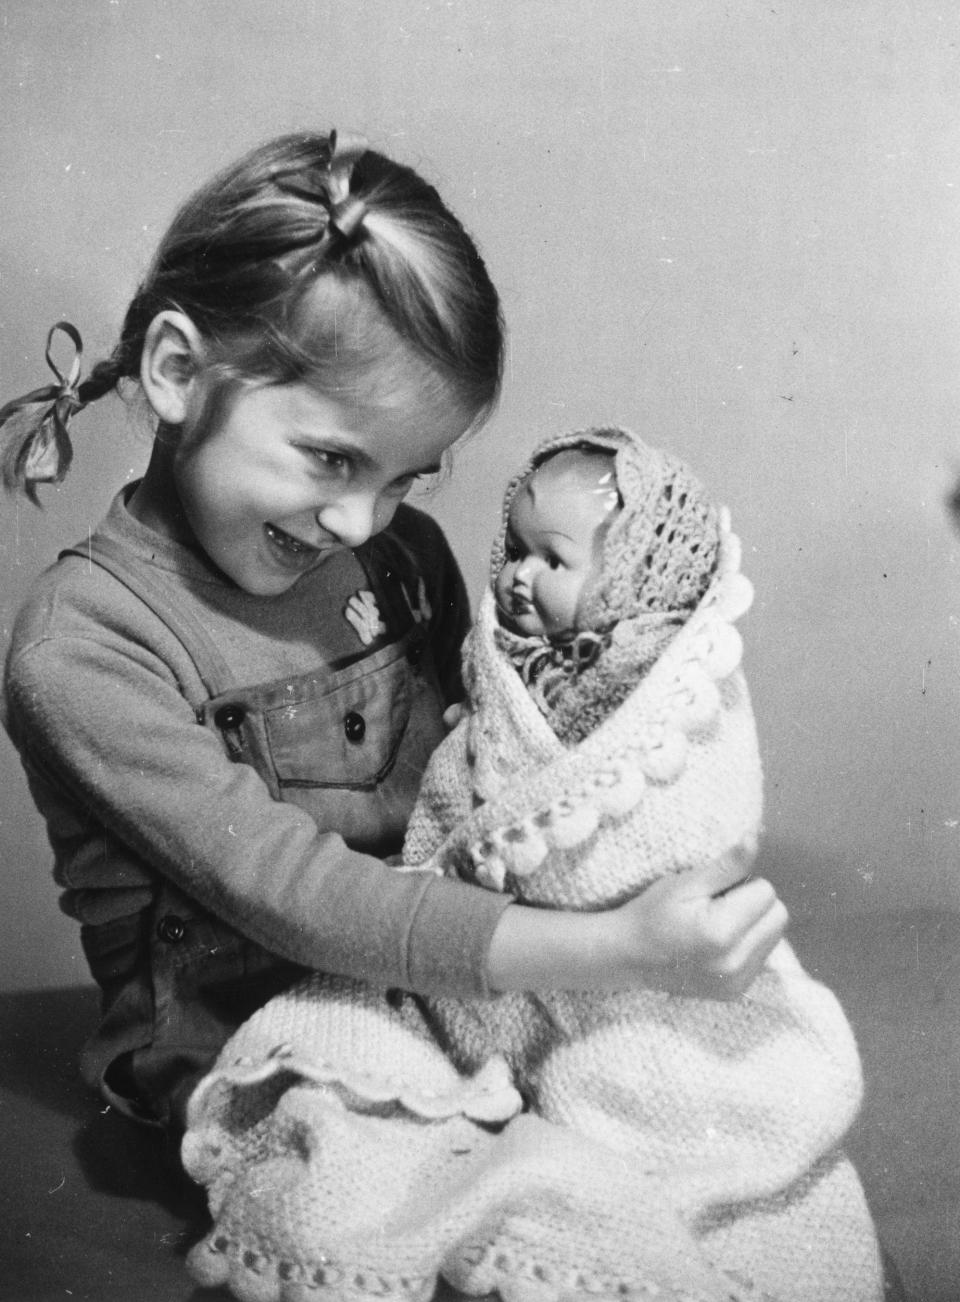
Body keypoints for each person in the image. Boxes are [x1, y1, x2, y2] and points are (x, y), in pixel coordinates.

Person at [0, 132, 787, 1146]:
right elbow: (299, 899)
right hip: (247, 1052)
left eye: (407, 478)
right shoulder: (85, 650)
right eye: (331, 459)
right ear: (176, 372)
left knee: (709, 1114)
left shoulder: (397, 554)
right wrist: (622, 949)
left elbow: (487, 770)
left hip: (446, 992)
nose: (362, 523)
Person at [181, 428, 882, 1302]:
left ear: (633, 581)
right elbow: (467, 767)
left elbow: (696, 820)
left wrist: (569, 867)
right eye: (513, 547)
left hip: (635, 958)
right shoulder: (505, 653)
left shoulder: (670, 681)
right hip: (487, 948)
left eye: (550, 557)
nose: (515, 575)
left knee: (644, 1095)